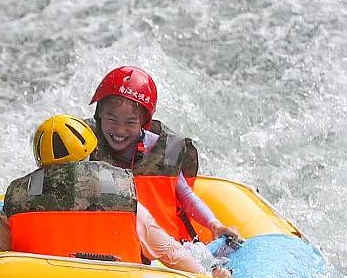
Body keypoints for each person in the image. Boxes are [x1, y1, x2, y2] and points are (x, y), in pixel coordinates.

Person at [0, 115, 231, 276]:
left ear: (40, 160)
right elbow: (172, 254)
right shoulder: (123, 193)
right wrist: (207, 276)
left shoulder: (19, 199)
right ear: (89, 151)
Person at [88, 66, 243, 248]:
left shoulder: (162, 151)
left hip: (164, 251)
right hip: (110, 248)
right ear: (99, 116)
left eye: (130, 122)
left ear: (144, 123)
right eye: (112, 120)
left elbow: (185, 195)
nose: (120, 130)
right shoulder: (85, 145)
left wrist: (213, 224)